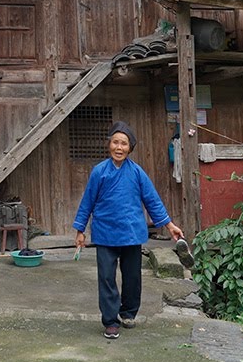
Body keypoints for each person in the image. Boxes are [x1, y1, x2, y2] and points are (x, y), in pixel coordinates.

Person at [73, 120, 185, 339]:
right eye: (115, 142)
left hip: (132, 233)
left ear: (130, 148)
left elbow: (152, 200)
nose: (119, 147)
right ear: (109, 145)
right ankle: (110, 320)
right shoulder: (99, 172)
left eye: (124, 144)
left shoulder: (137, 172)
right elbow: (87, 202)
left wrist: (169, 225)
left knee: (132, 277)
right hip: (105, 233)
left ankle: (128, 313)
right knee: (106, 277)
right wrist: (80, 230)